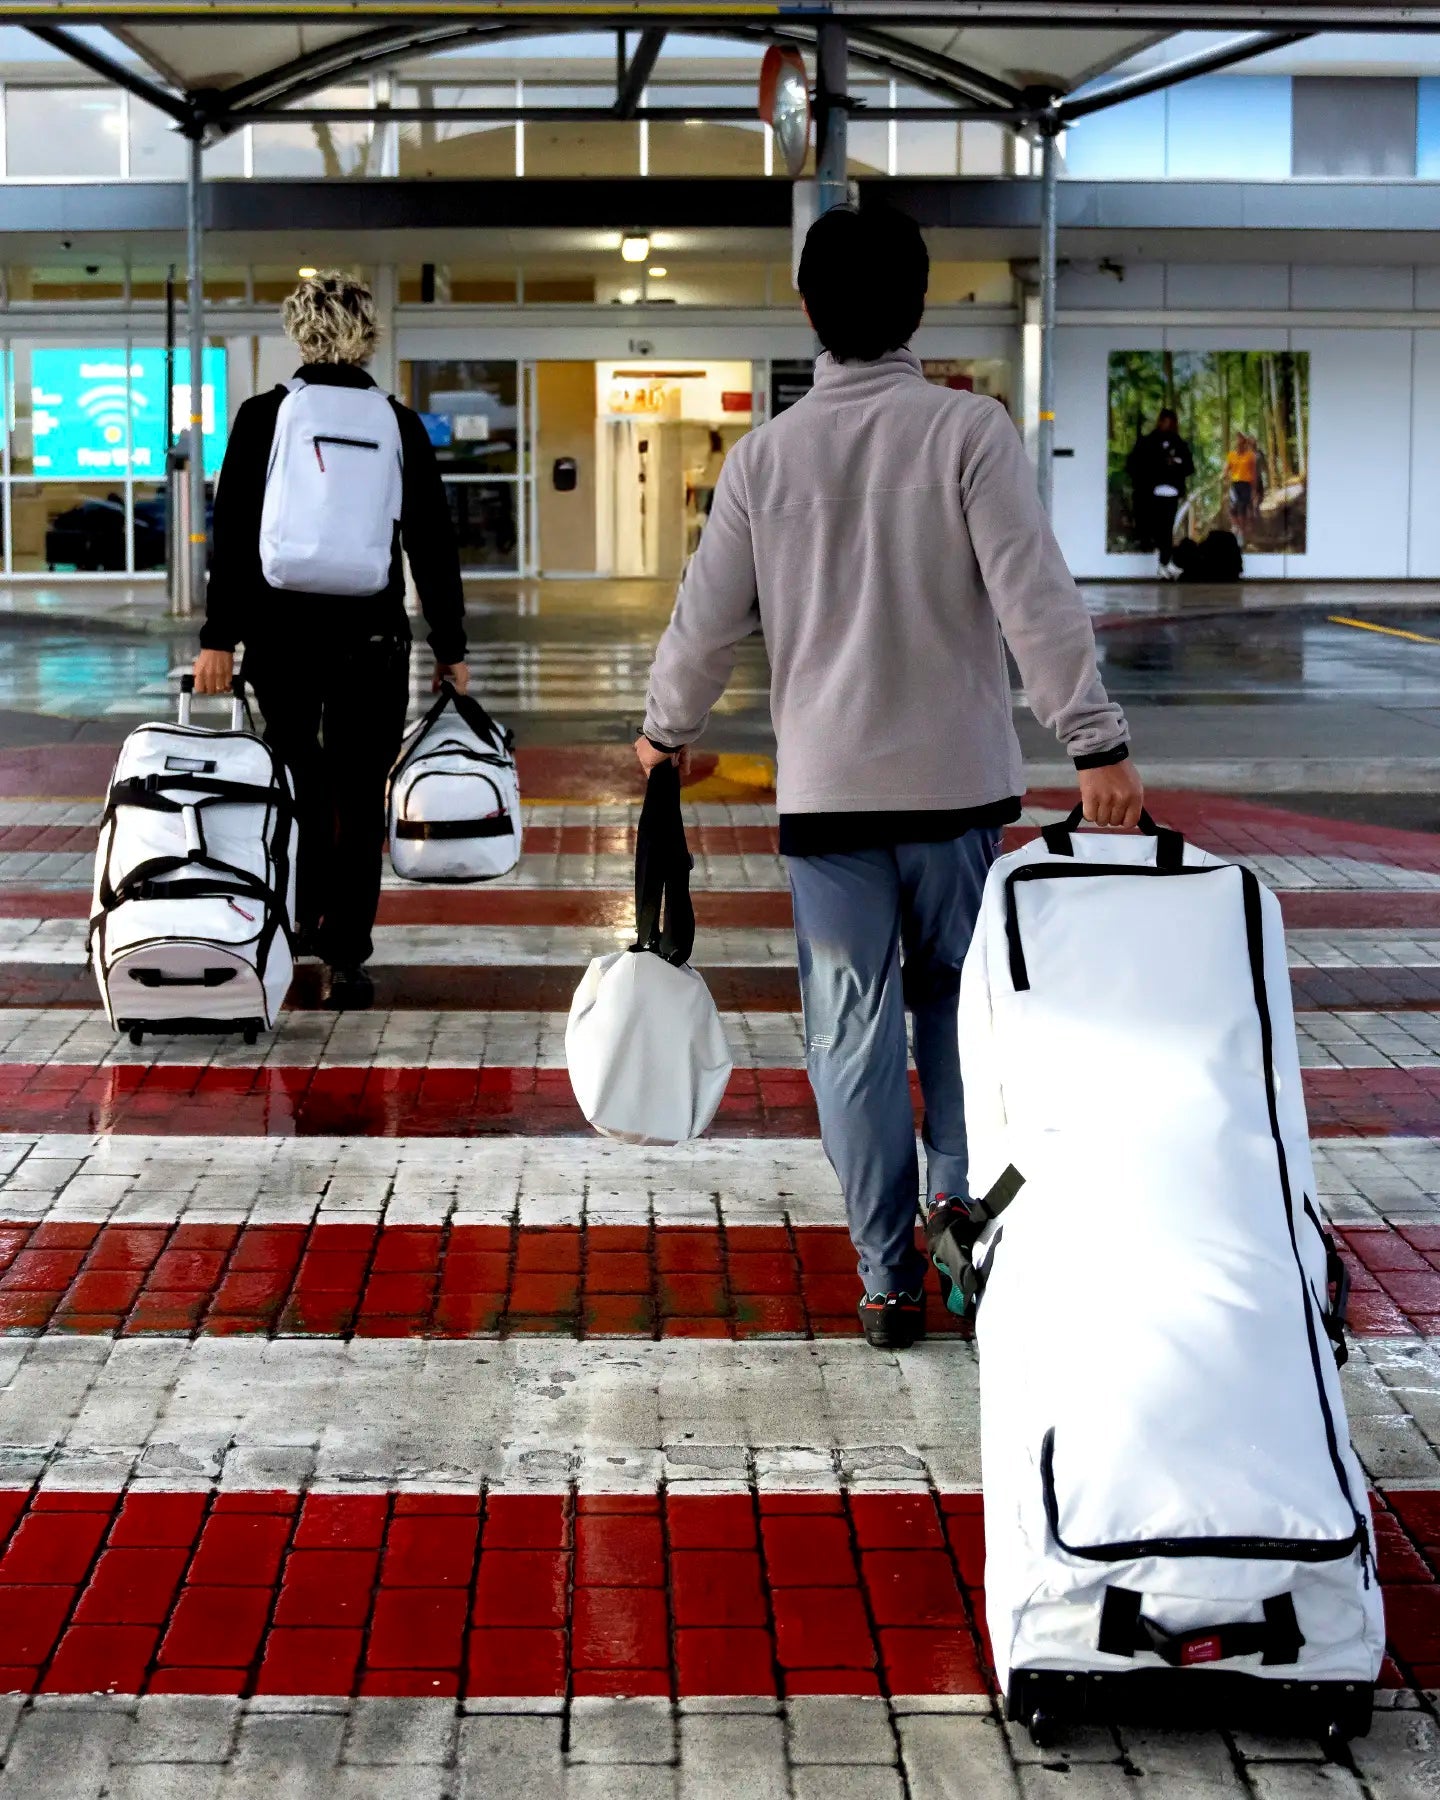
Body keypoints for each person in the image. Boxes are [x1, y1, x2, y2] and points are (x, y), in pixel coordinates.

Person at [637, 206, 1141, 1351]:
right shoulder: (970, 433)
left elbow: (704, 623)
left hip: (829, 808)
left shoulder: (765, 460)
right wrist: (1095, 742)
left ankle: (885, 1277)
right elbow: (1035, 598)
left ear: (807, 310)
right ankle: (964, 1232)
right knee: (960, 1015)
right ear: (921, 306)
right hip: (957, 797)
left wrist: (665, 732)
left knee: (850, 1037)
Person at [192, 270, 467, 1010]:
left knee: (293, 777)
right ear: (367, 335)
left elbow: (235, 532)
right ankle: (348, 957)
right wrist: (450, 646)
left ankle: (298, 921)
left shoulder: (263, 415)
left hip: (280, 634)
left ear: (299, 332)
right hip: (372, 637)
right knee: (358, 789)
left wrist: (219, 637)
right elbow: (431, 542)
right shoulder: (398, 421)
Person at [1126, 407, 1193, 580]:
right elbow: (1135, 465)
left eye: (1171, 423)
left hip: (1172, 491)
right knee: (1158, 528)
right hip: (1152, 493)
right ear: (1160, 422)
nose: (1168, 426)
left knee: (1167, 528)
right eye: (1165, 422)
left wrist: (1175, 464)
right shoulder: (1148, 442)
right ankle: (1163, 562)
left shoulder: (1179, 443)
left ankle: (1165, 562)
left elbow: (1188, 467)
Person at [1225, 431, 1259, 545]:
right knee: (1232, 508)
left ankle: (1241, 534)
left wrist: (1254, 489)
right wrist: (1225, 475)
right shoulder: (1231, 455)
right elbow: (1227, 468)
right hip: (1234, 484)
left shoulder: (1250, 456)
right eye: (1237, 442)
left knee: (1242, 509)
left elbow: (1253, 473)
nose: (1239, 444)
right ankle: (1236, 528)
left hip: (1246, 485)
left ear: (1245, 443)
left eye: (1241, 442)